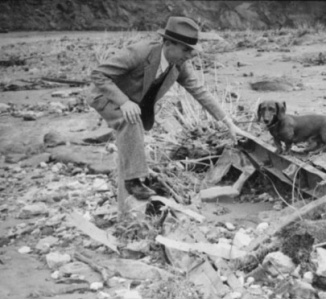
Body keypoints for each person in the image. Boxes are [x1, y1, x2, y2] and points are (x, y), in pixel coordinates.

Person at [87, 16, 247, 200]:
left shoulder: (179, 65)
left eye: (191, 50)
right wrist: (124, 102)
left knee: (131, 139)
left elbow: (200, 91)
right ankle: (134, 180)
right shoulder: (140, 52)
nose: (189, 55)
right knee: (130, 121)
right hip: (105, 94)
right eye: (185, 49)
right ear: (168, 44)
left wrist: (229, 123)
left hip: (134, 102)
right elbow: (99, 74)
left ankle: (131, 191)